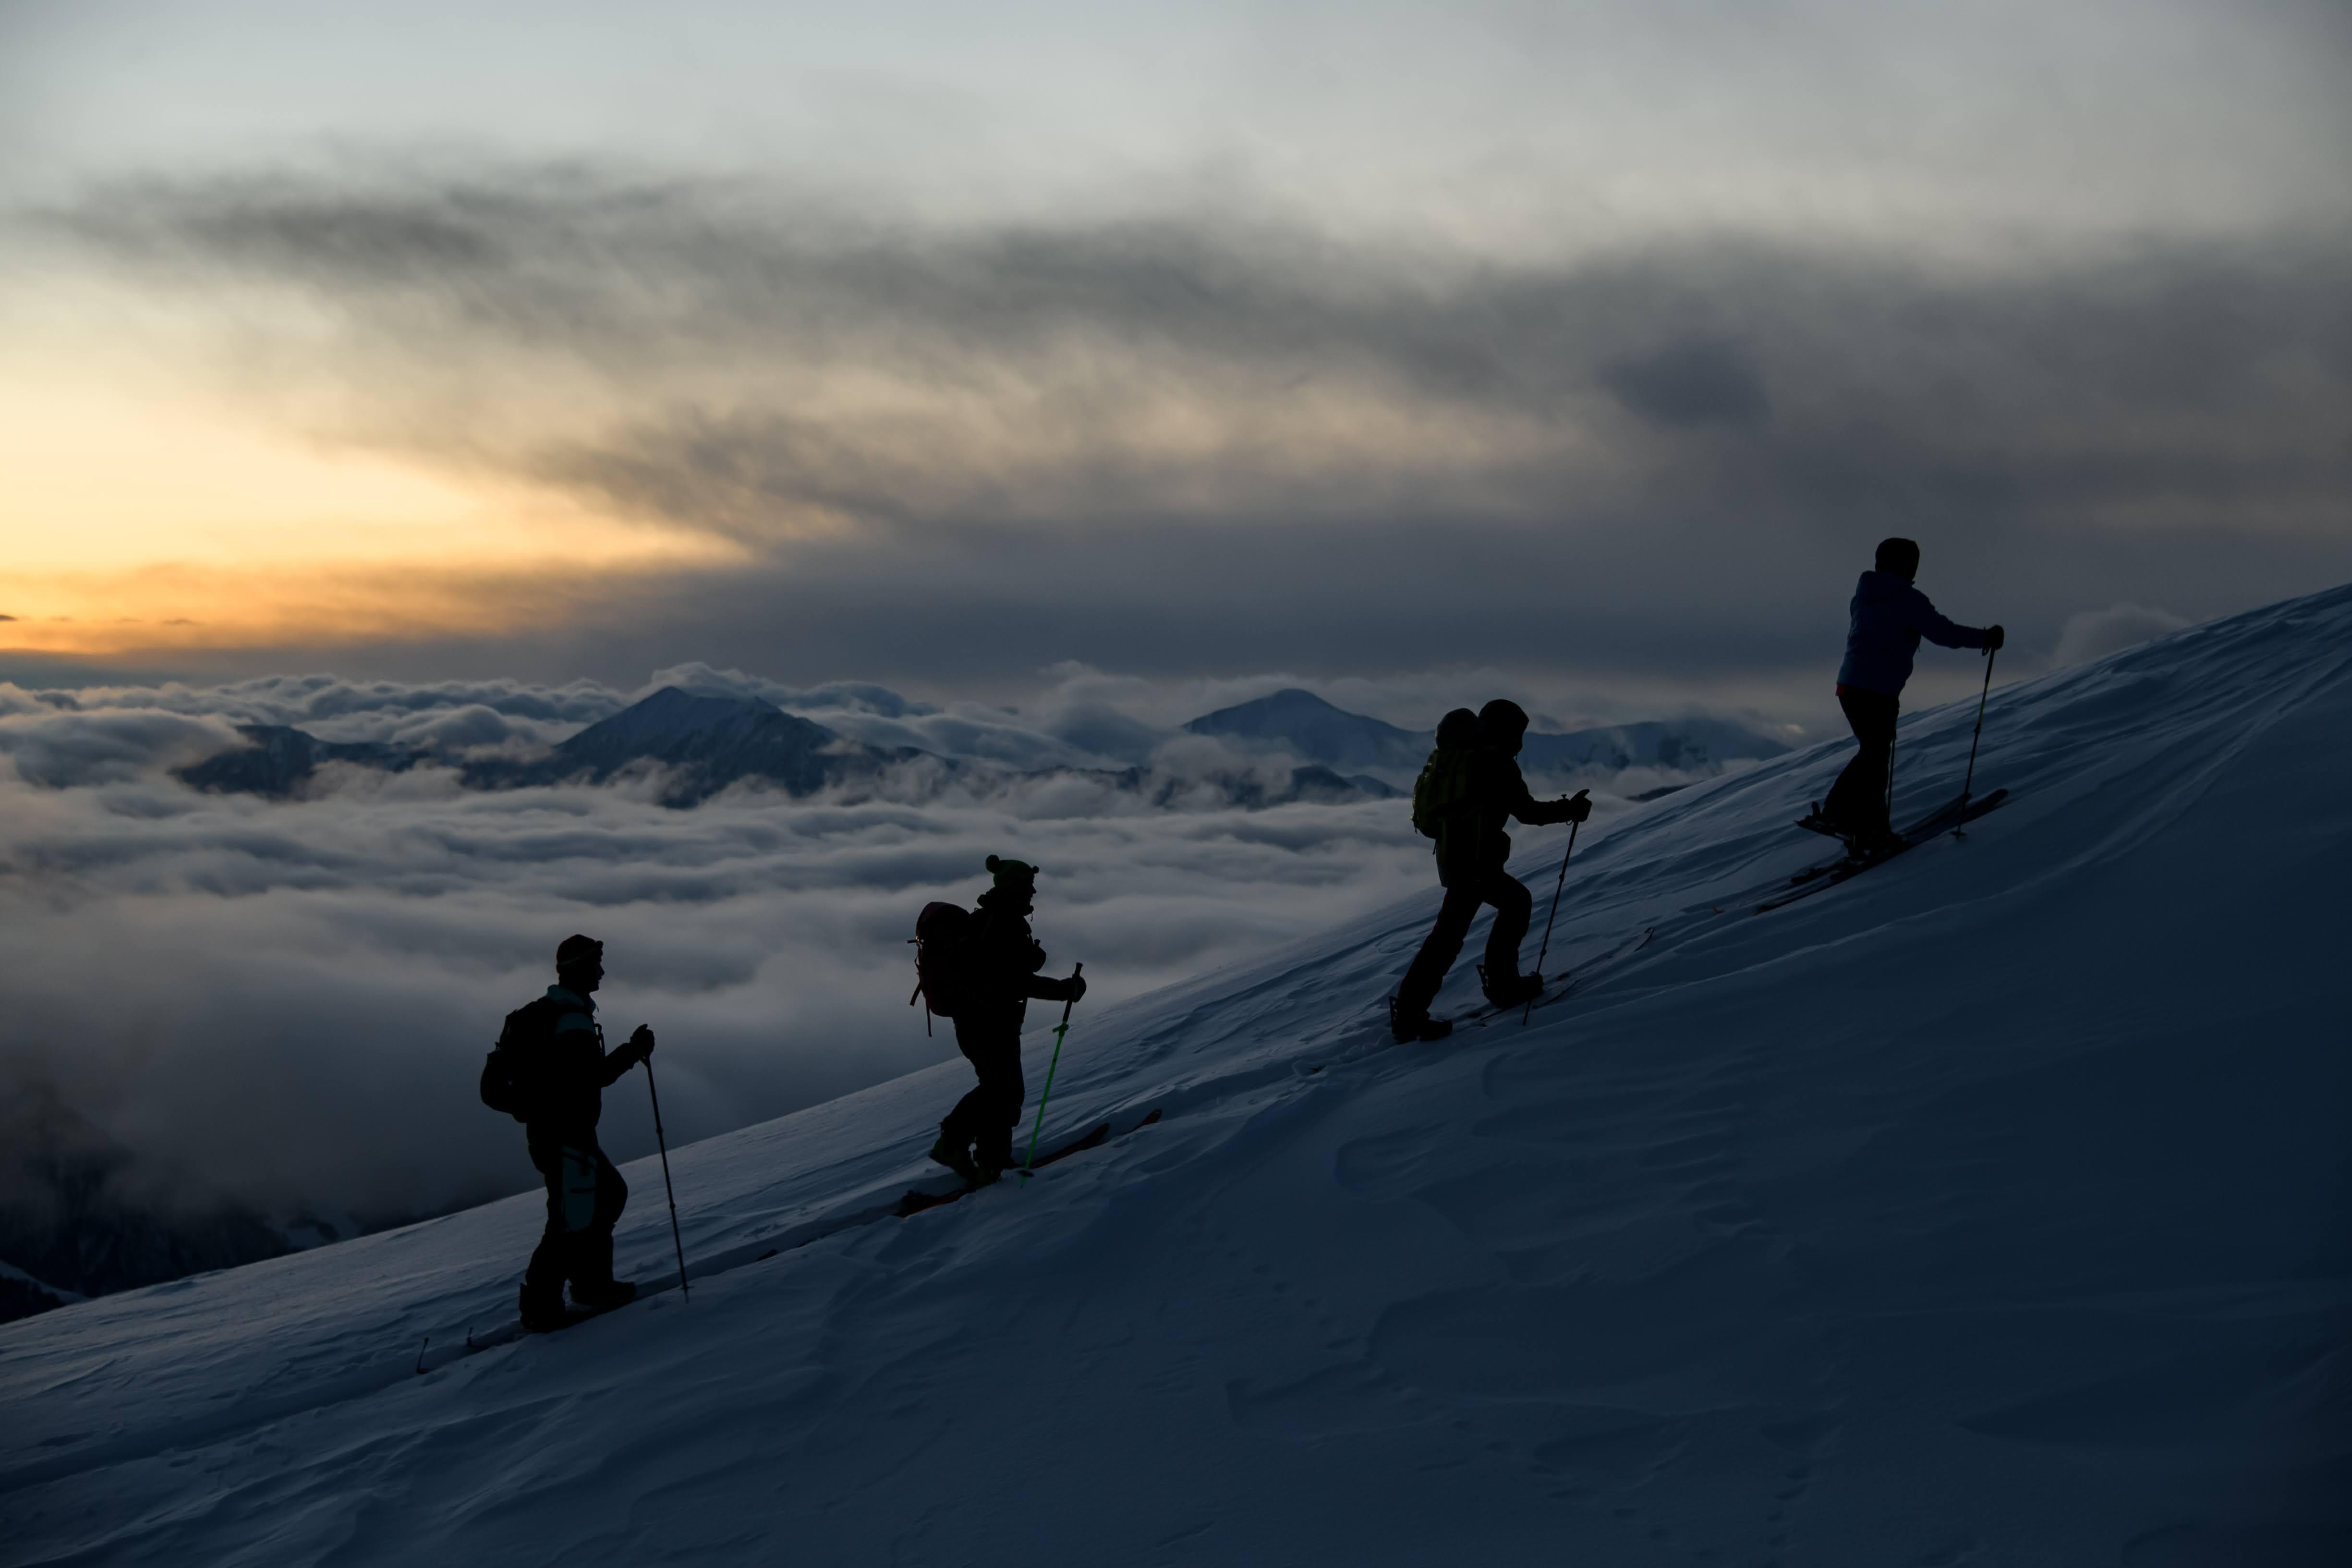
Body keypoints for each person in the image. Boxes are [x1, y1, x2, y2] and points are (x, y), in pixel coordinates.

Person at [1390, 701, 1590, 1042]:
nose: (1520, 744)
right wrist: (1570, 809)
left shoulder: (1462, 763)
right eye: (1517, 735)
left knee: (1463, 928)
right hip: (1478, 863)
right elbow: (1528, 812)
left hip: (1457, 861)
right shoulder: (1496, 764)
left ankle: (1419, 1008)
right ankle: (1494, 987)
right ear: (1505, 732)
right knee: (1487, 918)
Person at [505, 933, 656, 1332]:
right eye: (597, 963)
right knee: (574, 1216)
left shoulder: (557, 1011)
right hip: (567, 1133)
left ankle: (586, 1285)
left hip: (555, 1132)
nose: (602, 971)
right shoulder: (572, 1021)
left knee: (593, 1203)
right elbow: (595, 1077)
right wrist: (634, 1050)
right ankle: (552, 1301)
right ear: (580, 968)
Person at [1816, 537, 2004, 853]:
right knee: (1875, 756)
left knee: (1874, 754)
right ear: (1908, 565)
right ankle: (1857, 823)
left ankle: (1859, 824)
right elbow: (1945, 633)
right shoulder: (1908, 599)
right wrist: (1986, 637)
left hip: (1850, 687)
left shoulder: (1863, 597)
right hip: (1877, 691)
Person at [931, 856, 1086, 1186]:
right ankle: (954, 1144)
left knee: (1002, 1091)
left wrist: (1031, 959)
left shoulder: (991, 919)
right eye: (1027, 888)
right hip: (988, 1022)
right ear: (1014, 888)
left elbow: (1001, 971)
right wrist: (1065, 990)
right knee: (1002, 1090)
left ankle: (992, 1160)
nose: (1032, 894)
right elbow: (1013, 982)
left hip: (979, 1021)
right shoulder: (1004, 924)